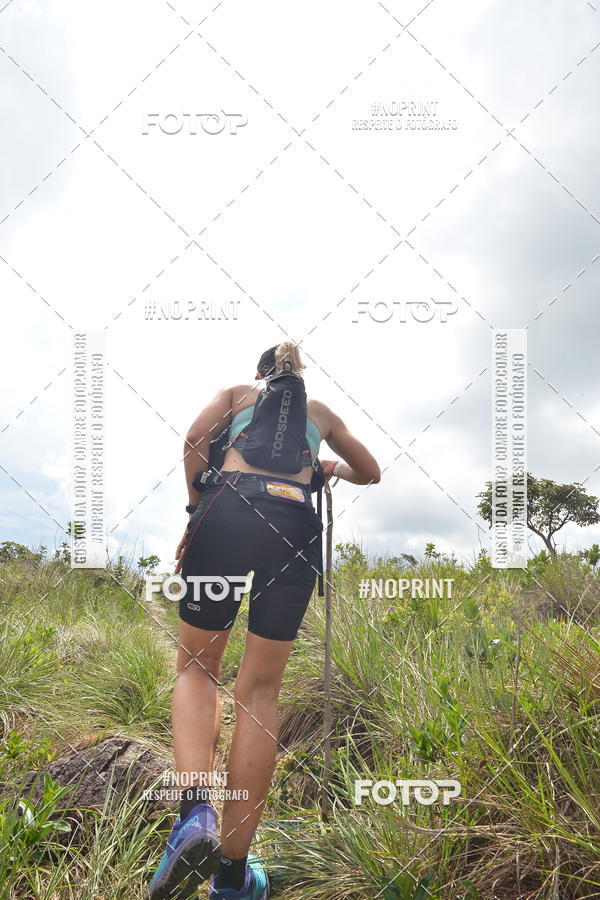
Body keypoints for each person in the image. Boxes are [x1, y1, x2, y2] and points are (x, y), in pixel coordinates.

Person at [148, 340, 381, 900]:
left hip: (227, 511)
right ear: (300, 376)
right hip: (294, 525)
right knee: (260, 694)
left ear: (260, 373)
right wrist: (332, 469)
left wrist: (195, 506)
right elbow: (370, 471)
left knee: (198, 670)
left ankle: (194, 815)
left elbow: (195, 439)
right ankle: (232, 878)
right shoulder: (319, 414)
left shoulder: (235, 394)